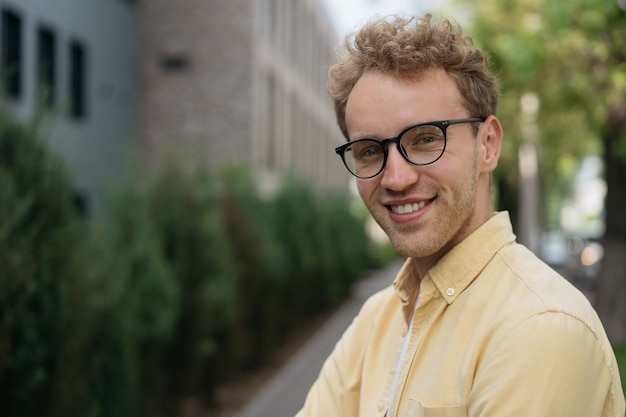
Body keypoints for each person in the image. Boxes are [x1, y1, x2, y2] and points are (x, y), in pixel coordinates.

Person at [295, 14, 625, 417]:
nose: (395, 178)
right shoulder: (376, 321)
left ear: (487, 145)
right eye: (369, 150)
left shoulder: (538, 327)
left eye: (426, 139)